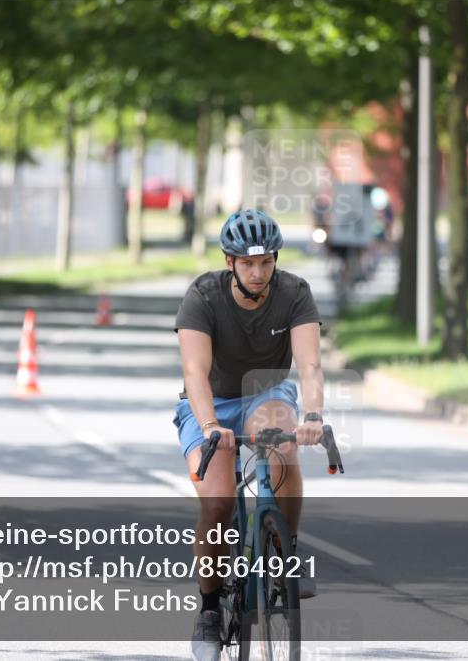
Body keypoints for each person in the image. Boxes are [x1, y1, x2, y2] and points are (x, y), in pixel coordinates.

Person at [173, 209, 324, 659]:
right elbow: (194, 371)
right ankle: (209, 608)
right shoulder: (203, 295)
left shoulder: (295, 292)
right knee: (218, 503)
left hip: (266, 392)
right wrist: (209, 426)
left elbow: (310, 364)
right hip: (211, 403)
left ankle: (284, 553)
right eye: (248, 263)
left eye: (266, 262)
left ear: (275, 260)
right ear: (230, 262)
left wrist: (313, 416)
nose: (258, 272)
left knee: (281, 444)